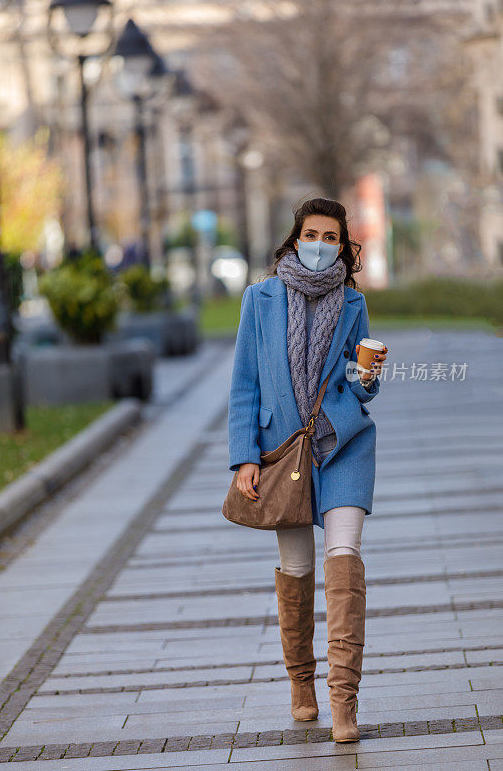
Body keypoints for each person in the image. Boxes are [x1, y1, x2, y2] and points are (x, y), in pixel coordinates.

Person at [227, 197, 388, 743]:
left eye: (332, 238)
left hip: (343, 444)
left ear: (344, 245)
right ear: (296, 239)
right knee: (295, 568)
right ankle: (302, 684)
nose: (321, 245)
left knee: (345, 561)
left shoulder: (352, 302)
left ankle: (345, 701)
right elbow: (245, 383)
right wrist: (244, 455)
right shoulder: (260, 299)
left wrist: (368, 376)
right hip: (282, 452)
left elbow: (358, 382)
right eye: (312, 234)